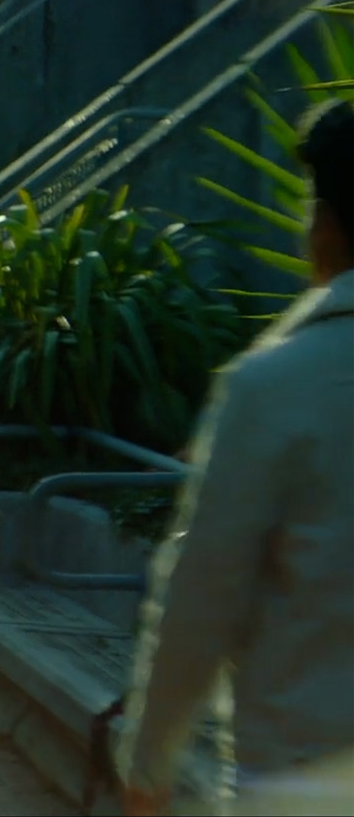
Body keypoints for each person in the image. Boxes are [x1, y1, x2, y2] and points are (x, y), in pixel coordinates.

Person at [116, 99, 354, 816]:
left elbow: (204, 592)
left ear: (325, 223)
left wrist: (148, 762)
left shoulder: (275, 388)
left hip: (301, 781)